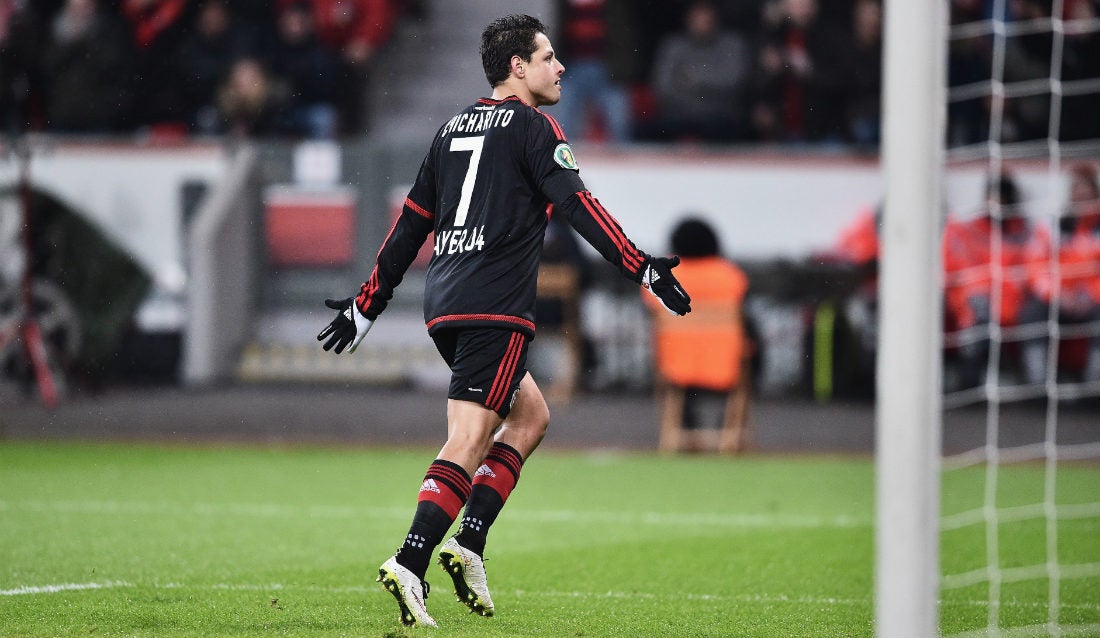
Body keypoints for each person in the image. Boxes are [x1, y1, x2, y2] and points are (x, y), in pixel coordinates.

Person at [315, 14, 691, 628]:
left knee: (531, 416)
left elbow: (411, 224)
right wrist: (641, 267)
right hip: (494, 307)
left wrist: (368, 304)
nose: (559, 66)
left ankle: (468, 544)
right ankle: (411, 561)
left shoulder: (452, 128)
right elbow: (577, 204)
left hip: (448, 303)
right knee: (467, 439)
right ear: (518, 67)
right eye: (547, 57)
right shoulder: (534, 129)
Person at [942, 170, 1049, 389]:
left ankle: (1035, 384)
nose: (994, 202)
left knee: (1036, 311)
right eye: (990, 196)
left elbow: (1039, 270)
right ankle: (969, 379)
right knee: (978, 310)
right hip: (974, 302)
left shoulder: (1028, 232)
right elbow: (954, 266)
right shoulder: (968, 230)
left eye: (1000, 196)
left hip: (1015, 303)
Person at [1020, 163, 1100, 385]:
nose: (1081, 196)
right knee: (1031, 312)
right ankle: (1038, 385)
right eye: (1076, 190)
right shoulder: (1053, 226)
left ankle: (1094, 384)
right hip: (1058, 299)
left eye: (1087, 192)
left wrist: (1090, 295)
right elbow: (1035, 267)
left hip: (1092, 300)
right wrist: (1058, 295)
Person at [643, 0, 751, 142]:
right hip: (680, 115)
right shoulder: (673, 45)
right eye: (697, 18)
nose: (701, 23)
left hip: (720, 117)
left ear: (715, 19)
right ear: (688, 19)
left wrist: (695, 79)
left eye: (706, 19)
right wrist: (705, 90)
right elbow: (662, 86)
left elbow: (734, 81)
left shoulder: (732, 43)